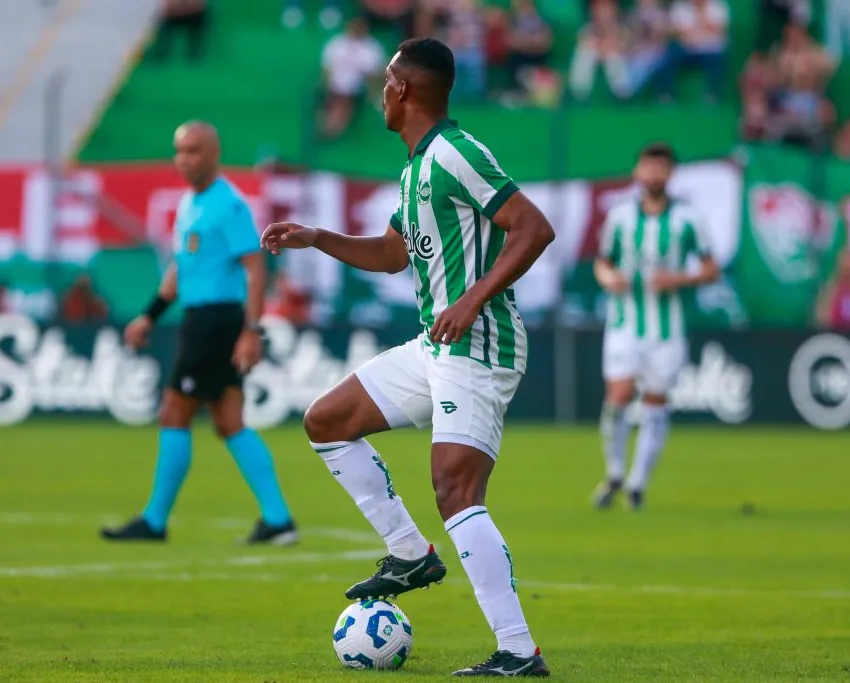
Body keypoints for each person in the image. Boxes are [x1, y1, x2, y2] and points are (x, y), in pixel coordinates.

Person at [262, 38, 555, 678]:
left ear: (404, 91)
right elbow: (395, 253)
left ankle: (519, 651)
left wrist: (474, 299)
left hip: (478, 343)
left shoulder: (456, 153)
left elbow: (533, 227)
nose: (380, 92)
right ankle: (408, 551)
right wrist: (317, 238)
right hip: (436, 343)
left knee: (455, 488)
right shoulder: (416, 166)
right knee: (327, 420)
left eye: (386, 81)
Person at [102, 121, 298, 546]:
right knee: (229, 421)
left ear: (213, 154)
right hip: (202, 318)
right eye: (179, 150)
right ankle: (278, 519)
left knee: (174, 411)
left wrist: (252, 330)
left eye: (193, 150)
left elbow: (255, 266)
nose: (184, 159)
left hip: (216, 321)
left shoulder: (227, 204)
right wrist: (149, 315)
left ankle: (154, 520)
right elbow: (180, 270)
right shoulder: (192, 203)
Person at [591, 143, 720, 511]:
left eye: (661, 167)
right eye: (648, 166)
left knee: (655, 402)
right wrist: (609, 279)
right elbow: (602, 262)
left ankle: (637, 483)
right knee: (618, 396)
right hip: (624, 323)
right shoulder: (620, 217)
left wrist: (678, 279)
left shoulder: (688, 218)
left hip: (667, 329)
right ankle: (614, 472)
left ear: (671, 173)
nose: (653, 174)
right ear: (636, 172)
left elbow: (711, 270)